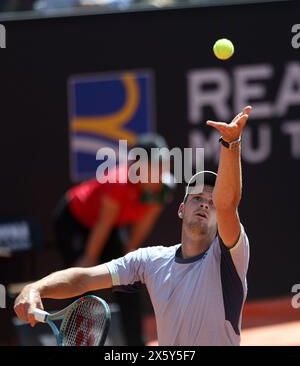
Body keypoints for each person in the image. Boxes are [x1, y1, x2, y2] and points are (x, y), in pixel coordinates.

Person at [14, 106, 252, 346]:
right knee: (89, 279)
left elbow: (227, 204)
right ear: (182, 209)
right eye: (197, 198)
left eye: (211, 201)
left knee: (127, 290)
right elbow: (84, 275)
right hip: (76, 221)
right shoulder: (120, 193)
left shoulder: (226, 258)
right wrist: (37, 287)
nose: (204, 204)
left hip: (113, 227)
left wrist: (231, 143)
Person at [52, 132, 175, 345]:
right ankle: (73, 341)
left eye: (163, 164)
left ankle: (135, 344)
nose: (162, 170)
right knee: (81, 279)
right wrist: (89, 258)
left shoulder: (164, 187)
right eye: (155, 165)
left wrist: (129, 253)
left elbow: (144, 223)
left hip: (109, 228)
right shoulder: (117, 182)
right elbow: (103, 224)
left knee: (128, 280)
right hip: (73, 221)